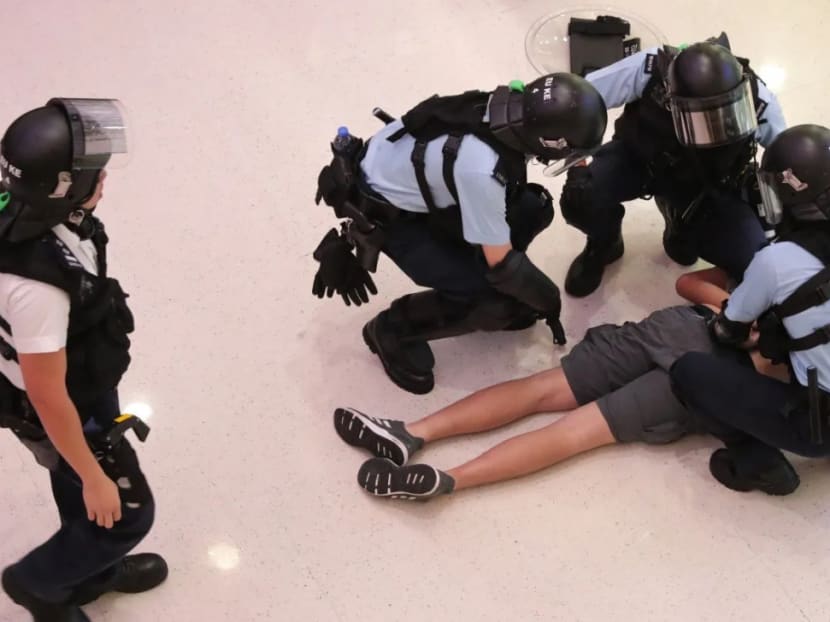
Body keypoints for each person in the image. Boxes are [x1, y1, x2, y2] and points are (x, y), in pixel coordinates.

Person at [331, 270, 787, 501]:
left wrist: (734, 310)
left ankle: (411, 433)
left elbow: (689, 281)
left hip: (692, 325)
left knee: (541, 389)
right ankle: (450, 480)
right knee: (573, 434)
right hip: (720, 374)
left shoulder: (781, 258)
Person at [312, 73, 608, 394]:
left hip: (419, 191)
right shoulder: (482, 169)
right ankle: (390, 329)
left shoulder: (512, 109)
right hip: (394, 221)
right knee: (496, 303)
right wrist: (547, 300)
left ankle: (478, 274)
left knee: (533, 209)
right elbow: (502, 265)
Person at [0, 99, 167, 622]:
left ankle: (90, 572)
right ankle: (39, 586)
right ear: (62, 190)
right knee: (127, 513)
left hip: (82, 377)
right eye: (95, 173)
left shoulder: (22, 206)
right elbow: (48, 395)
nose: (104, 179)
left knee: (76, 488)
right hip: (61, 402)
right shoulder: (37, 287)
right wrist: (93, 474)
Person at [560, 33, 787, 297]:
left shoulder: (761, 102)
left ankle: (679, 223)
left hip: (705, 184)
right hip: (640, 159)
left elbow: (788, 162)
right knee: (580, 198)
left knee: (755, 261)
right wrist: (577, 163)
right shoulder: (650, 68)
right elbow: (579, 100)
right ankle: (605, 242)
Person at [671, 124, 830, 496]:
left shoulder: (776, 262)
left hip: (821, 425)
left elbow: (728, 329)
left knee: (687, 373)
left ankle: (757, 462)